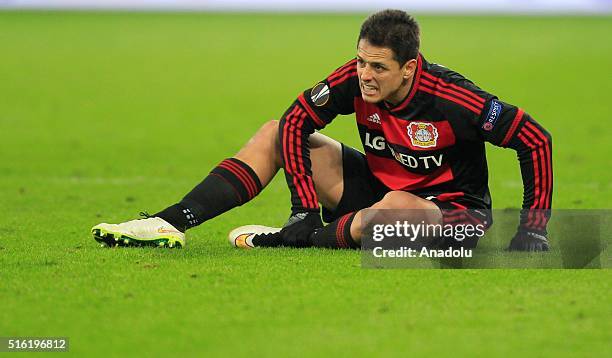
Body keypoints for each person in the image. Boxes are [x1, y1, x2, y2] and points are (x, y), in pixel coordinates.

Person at [92, 9, 552, 252]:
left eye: (378, 67)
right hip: (378, 190)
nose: (364, 74)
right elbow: (295, 120)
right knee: (277, 131)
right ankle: (169, 223)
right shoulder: (355, 80)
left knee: (391, 209)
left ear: (409, 68)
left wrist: (534, 229)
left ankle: (291, 244)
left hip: (453, 215)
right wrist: (303, 208)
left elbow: (534, 139)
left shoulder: (455, 99)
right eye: (360, 60)